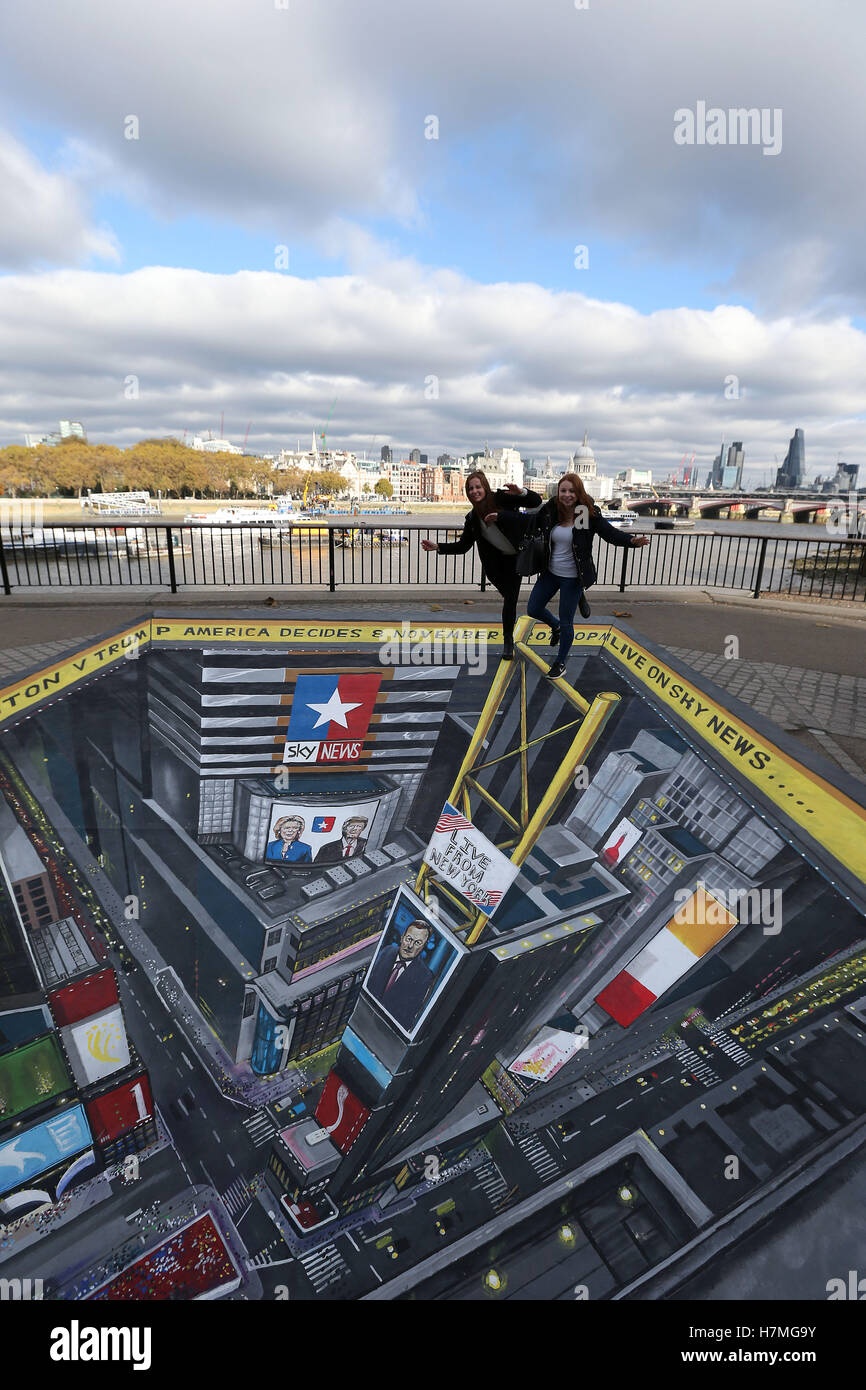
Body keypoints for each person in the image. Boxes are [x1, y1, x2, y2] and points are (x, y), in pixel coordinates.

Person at [526, 474, 651, 679]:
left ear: (579, 493)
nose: (567, 495)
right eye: (563, 490)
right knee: (533, 608)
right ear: (558, 492)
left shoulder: (584, 513)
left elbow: (609, 533)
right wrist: (503, 514)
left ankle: (560, 662)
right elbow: (529, 520)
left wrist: (631, 540)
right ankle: (554, 625)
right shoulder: (551, 511)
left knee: (567, 621)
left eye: (572, 491)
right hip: (550, 573)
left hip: (573, 577)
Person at [421, 472, 542, 660]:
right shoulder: (472, 519)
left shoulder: (501, 498)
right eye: (470, 488)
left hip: (517, 558)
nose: (475, 491)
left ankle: (508, 641)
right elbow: (463, 547)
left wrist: (521, 492)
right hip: (494, 567)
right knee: (509, 598)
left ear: (485, 486)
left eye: (478, 487)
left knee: (510, 600)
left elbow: (535, 502)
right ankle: (509, 637)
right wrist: (438, 546)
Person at [366, 919, 436, 1030]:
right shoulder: (387, 951)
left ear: (423, 946)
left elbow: (407, 1016)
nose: (410, 946)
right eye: (409, 939)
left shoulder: (425, 976)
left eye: (417, 943)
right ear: (402, 937)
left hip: (385, 1030)